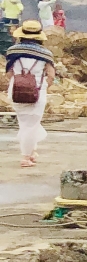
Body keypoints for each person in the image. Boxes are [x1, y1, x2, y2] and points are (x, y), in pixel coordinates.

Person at [6, 20, 55, 169]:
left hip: (15, 91)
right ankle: (26, 157)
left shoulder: (12, 51)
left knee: (25, 123)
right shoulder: (45, 54)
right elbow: (51, 75)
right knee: (31, 125)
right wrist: (46, 85)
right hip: (36, 92)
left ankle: (31, 151)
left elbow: (8, 74)